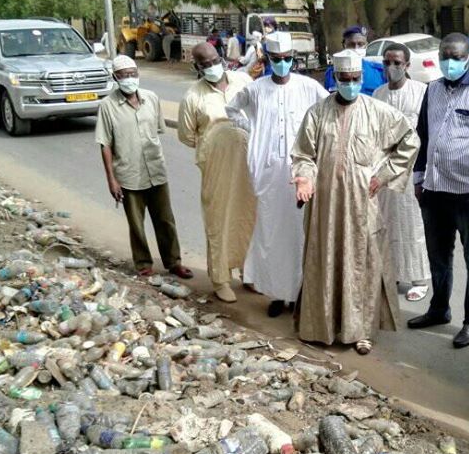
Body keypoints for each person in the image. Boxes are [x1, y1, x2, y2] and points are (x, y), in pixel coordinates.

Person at [291, 50, 420, 355]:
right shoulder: (317, 113)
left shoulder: (378, 111)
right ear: (335, 78)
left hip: (362, 205)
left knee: (362, 265)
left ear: (361, 78)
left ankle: (361, 332)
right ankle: (319, 327)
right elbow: (303, 154)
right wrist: (305, 178)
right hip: (324, 208)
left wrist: (384, 175)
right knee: (324, 263)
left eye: (355, 79)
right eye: (345, 79)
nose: (350, 84)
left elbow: (410, 140)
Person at [409, 33, 469, 350]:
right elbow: (424, 134)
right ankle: (439, 309)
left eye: (456, 57)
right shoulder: (432, 89)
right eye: (444, 56)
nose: (449, 62)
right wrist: (419, 178)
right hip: (434, 189)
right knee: (438, 256)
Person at [225, 32, 329, 317]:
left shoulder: (309, 86)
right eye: (277, 59)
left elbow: (328, 112)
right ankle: (276, 294)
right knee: (271, 234)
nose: (282, 63)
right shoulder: (256, 89)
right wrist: (253, 131)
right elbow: (232, 109)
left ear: (294, 58)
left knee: (300, 235)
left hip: (301, 173)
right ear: (268, 59)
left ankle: (299, 294)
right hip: (268, 173)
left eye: (287, 58)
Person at [95, 55, 193, 280]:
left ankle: (174, 262)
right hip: (128, 174)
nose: (129, 79)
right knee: (136, 224)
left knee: (165, 220)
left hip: (155, 170)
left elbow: (157, 131)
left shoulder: (151, 98)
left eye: (133, 74)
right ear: (115, 78)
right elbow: (105, 144)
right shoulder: (107, 106)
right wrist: (112, 179)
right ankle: (143, 264)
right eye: (124, 75)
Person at [177, 43, 256, 303]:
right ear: (197, 67)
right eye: (205, 64)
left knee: (249, 216)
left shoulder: (243, 81)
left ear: (221, 58)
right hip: (216, 166)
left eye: (214, 60)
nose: (212, 66)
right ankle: (220, 279)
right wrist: (216, 143)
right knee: (219, 220)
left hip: (248, 159)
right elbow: (187, 135)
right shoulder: (193, 96)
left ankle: (249, 273)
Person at [372, 42, 431, 302]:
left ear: (407, 65)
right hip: (385, 167)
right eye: (387, 62)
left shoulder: (421, 92)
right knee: (386, 222)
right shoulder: (378, 93)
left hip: (412, 167)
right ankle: (392, 273)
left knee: (412, 223)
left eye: (397, 63)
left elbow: (427, 131)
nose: (392, 67)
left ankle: (419, 279)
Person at [323, 26, 386, 95]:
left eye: (360, 44)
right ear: (344, 45)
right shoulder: (332, 72)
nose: (356, 48)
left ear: (366, 45)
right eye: (351, 44)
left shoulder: (379, 72)